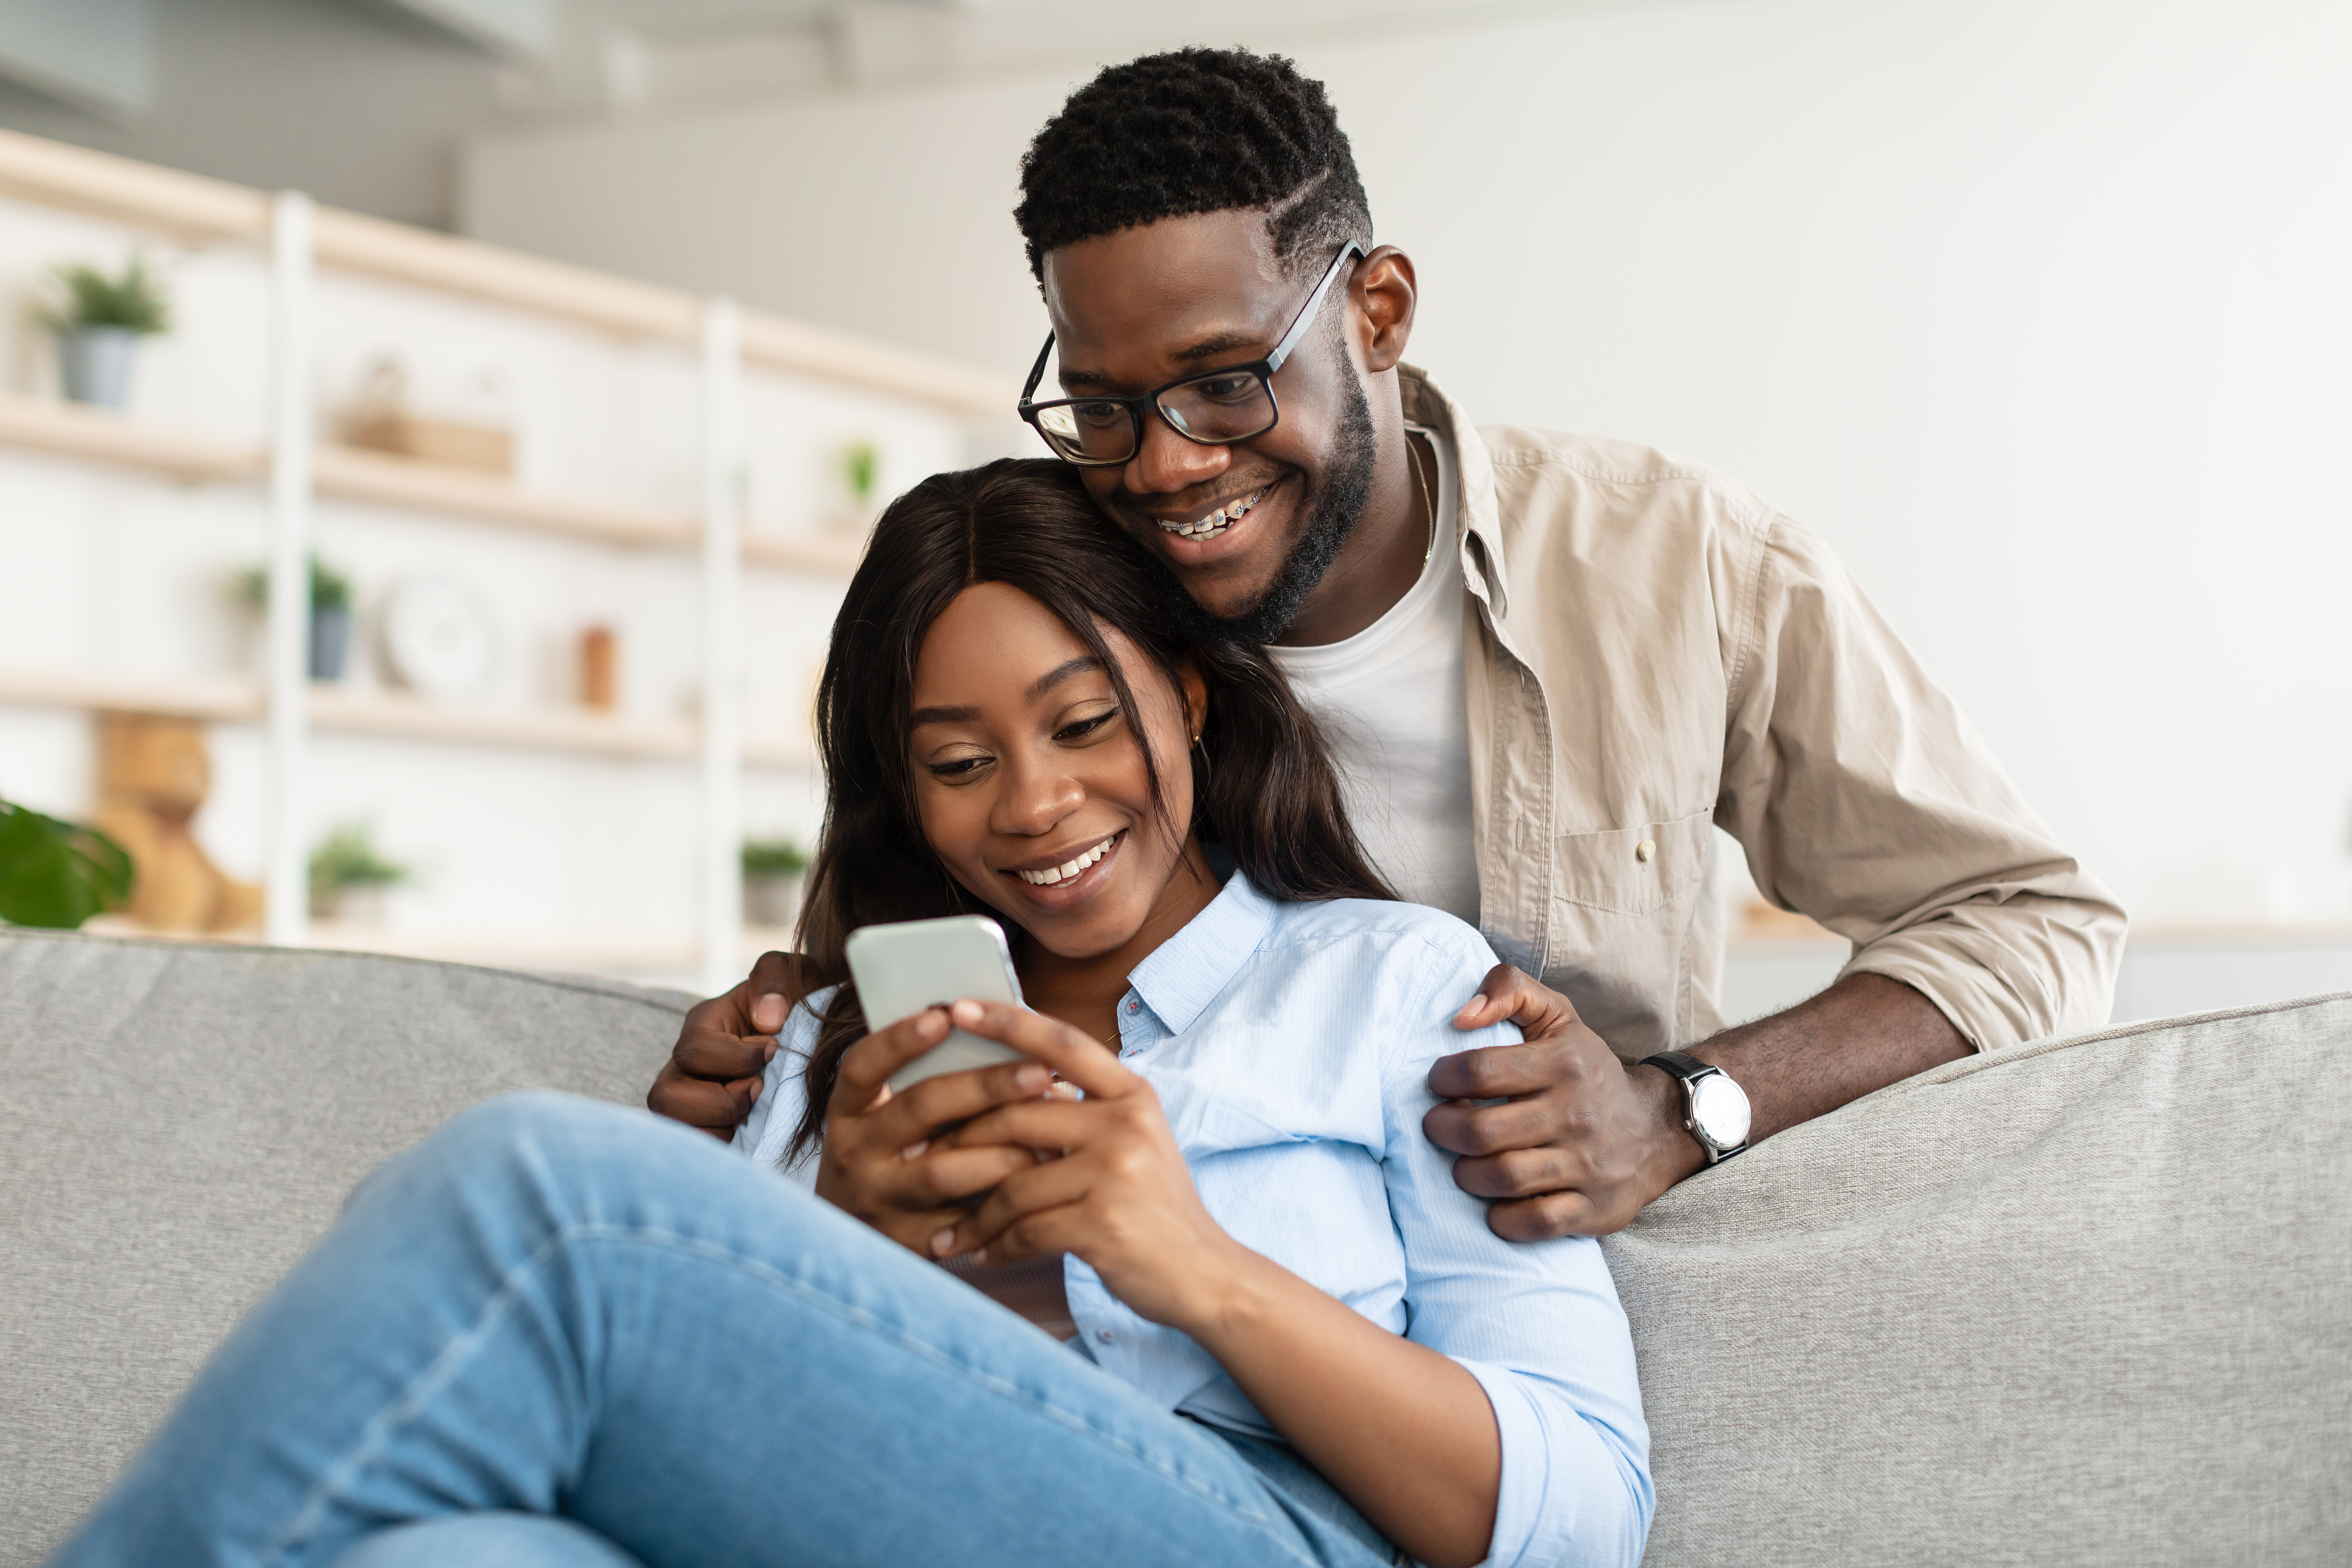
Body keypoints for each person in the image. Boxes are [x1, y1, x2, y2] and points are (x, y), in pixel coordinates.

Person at [49, 462, 1650, 1568]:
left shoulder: (1397, 987)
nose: (1035, 805)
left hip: (1251, 1530)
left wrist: (1194, 1264)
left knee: (542, 1196)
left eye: (1085, 723)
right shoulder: (836, 1049)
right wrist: (870, 1255)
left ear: (1192, 694)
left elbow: (1586, 1513)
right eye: (959, 763)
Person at [652, 48, 2127, 1238]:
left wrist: (1683, 1108)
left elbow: (2030, 923)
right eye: (1104, 407)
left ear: (1377, 308)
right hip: (1170, 1319)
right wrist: (782, 1041)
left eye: (1225, 384)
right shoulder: (1068, 584)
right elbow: (919, 904)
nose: (1165, 469)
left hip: (1535, 1307)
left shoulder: (1673, 561)